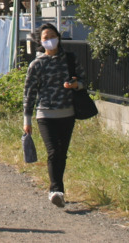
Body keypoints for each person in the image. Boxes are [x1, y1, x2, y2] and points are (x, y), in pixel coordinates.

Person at [22, 23, 85, 208]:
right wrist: (27, 120)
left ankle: (58, 190)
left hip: (67, 113)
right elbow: (29, 93)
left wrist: (76, 85)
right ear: (40, 42)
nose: (49, 40)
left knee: (62, 153)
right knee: (53, 151)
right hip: (45, 115)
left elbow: (83, 80)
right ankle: (56, 190)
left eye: (52, 36)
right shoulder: (37, 64)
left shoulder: (70, 60)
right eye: (45, 38)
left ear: (58, 37)